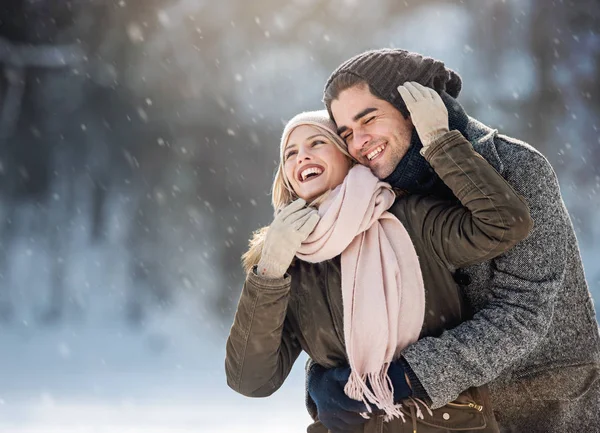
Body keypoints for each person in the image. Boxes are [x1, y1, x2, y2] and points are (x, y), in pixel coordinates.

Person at [305, 48, 600, 433]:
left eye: (369, 119)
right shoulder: (378, 192)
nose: (359, 142)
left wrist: (406, 377)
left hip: (543, 406)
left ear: (415, 109)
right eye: (346, 133)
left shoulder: (516, 167)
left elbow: (523, 313)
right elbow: (352, 300)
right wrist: (323, 376)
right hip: (445, 417)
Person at [226, 84, 533, 432]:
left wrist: (440, 141)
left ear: (347, 155)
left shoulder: (410, 217)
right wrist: (268, 271)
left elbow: (505, 224)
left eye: (316, 143)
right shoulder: (286, 263)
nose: (302, 157)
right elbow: (250, 380)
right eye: (290, 153)